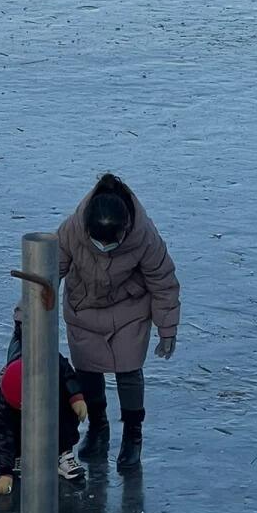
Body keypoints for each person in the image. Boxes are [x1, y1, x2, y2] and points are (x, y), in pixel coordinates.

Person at [57, 173, 178, 469]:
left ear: (125, 230)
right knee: (86, 371)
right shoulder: (72, 230)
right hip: (83, 306)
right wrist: (27, 315)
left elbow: (163, 281)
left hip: (129, 309)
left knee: (129, 371)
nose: (103, 248)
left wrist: (167, 329)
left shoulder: (145, 236)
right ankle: (98, 428)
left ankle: (132, 435)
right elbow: (48, 270)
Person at [0, 309, 87, 494]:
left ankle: (63, 453)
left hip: (51, 393)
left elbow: (66, 372)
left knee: (63, 413)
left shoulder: (49, 362)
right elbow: (0, 435)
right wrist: (4, 472)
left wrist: (76, 397)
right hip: (17, 400)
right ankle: (18, 454)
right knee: (11, 426)